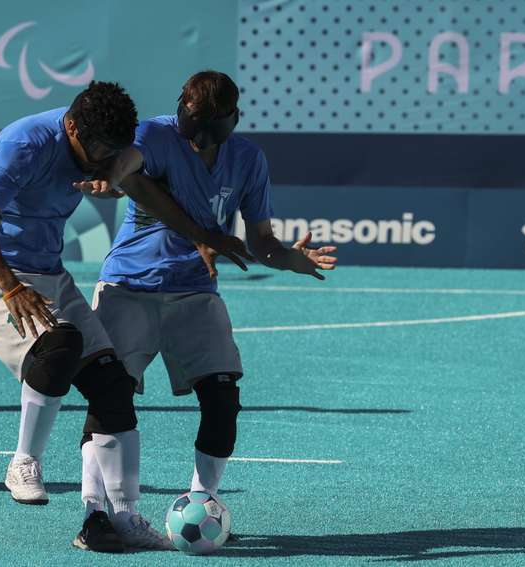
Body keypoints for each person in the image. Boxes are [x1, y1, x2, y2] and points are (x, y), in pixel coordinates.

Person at [0, 80, 250, 552]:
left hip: (48, 273)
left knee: (112, 384)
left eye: (113, 150)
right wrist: (10, 288)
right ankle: (24, 461)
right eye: (96, 150)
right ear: (71, 126)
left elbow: (149, 196)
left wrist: (201, 234)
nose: (99, 159)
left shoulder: (104, 146)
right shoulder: (24, 142)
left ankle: (125, 517)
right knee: (60, 346)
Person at [78, 70, 338, 523]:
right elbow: (127, 164)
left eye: (207, 133)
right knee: (110, 396)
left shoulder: (248, 159)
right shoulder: (155, 134)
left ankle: (202, 504)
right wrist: (108, 176)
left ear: (232, 120)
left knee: (222, 397)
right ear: (182, 111)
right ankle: (95, 513)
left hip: (196, 292)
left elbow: (261, 242)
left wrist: (289, 259)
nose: (197, 142)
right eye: (191, 129)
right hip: (129, 286)